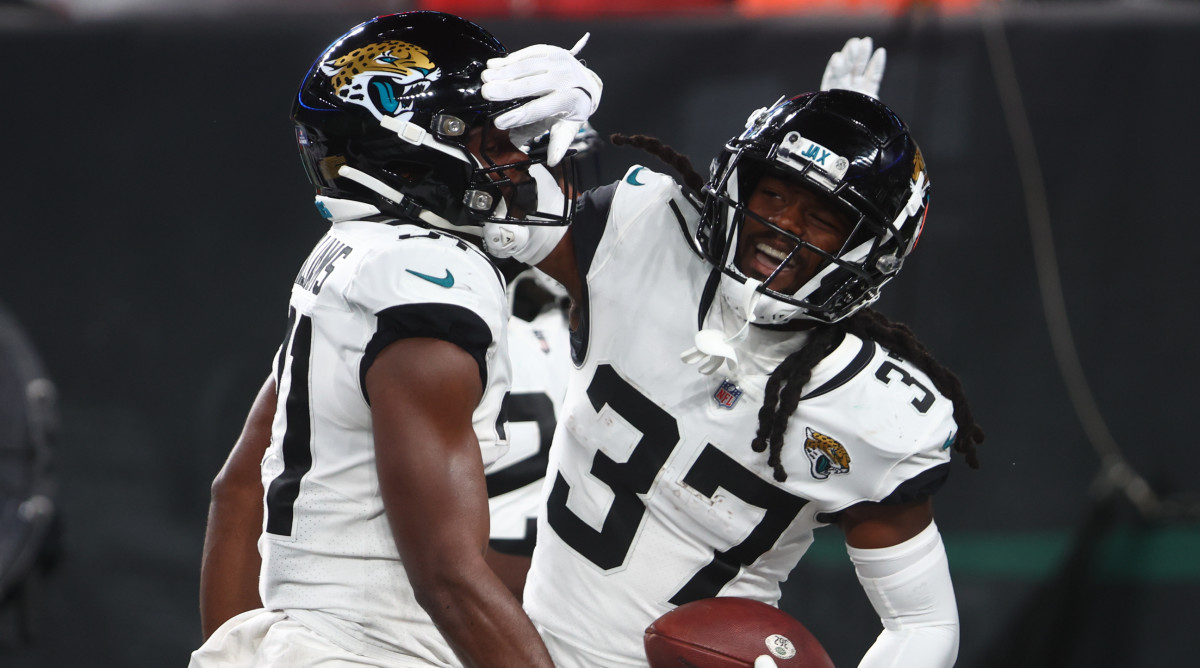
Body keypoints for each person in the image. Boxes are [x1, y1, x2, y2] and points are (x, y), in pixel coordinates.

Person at [480, 47, 984, 668]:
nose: (783, 226)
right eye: (773, 194)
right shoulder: (640, 234)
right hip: (524, 648)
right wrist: (504, 121)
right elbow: (485, 213)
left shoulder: (872, 409)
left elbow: (923, 623)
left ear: (872, 251)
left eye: (823, 217)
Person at [191, 11, 601, 667]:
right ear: (410, 144)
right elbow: (448, 575)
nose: (521, 166)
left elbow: (238, 489)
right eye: (495, 144)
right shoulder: (429, 283)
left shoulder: (358, 254)